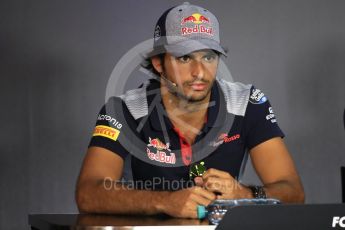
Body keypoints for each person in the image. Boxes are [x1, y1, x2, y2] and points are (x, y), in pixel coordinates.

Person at [76, 2, 304, 219]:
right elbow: (88, 193)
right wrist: (165, 202)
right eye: (184, 58)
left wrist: (246, 195)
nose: (200, 72)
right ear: (158, 62)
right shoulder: (125, 109)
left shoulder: (246, 102)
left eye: (208, 56)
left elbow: (293, 191)